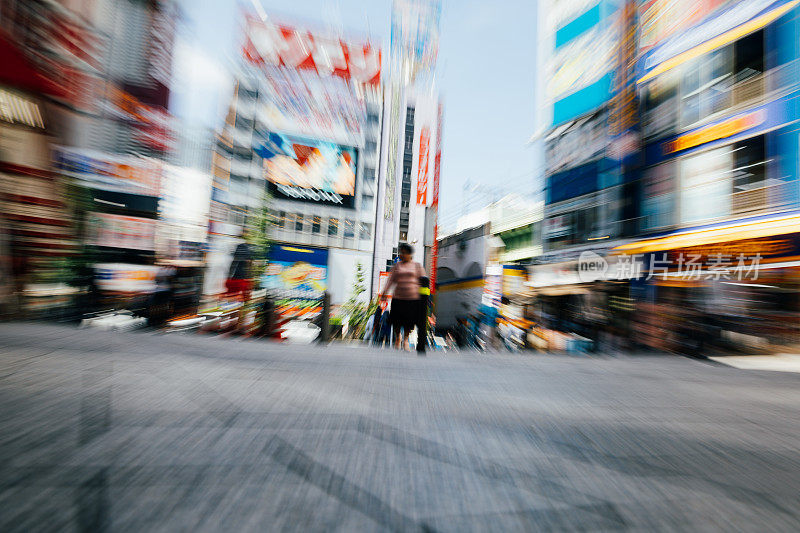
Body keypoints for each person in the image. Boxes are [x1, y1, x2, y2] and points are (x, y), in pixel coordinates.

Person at [382, 243, 426, 351]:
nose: (401, 254)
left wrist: (424, 298)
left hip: (413, 298)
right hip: (398, 297)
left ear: (410, 254)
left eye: (404, 253)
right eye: (400, 252)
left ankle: (405, 339)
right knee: (396, 321)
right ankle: (398, 337)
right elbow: (390, 280)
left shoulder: (417, 266)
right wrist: (384, 292)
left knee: (409, 322)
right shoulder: (397, 266)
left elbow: (424, 281)